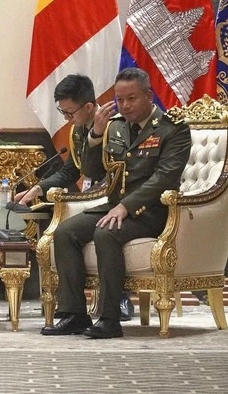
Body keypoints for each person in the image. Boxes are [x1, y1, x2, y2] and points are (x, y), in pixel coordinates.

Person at [40, 67, 191, 339]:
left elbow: (164, 178)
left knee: (105, 233)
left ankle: (109, 318)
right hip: (115, 205)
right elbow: (94, 171)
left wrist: (127, 206)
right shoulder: (116, 126)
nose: (125, 106)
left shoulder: (173, 129)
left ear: (148, 95)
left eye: (131, 99)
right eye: (120, 100)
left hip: (153, 211)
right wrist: (96, 135)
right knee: (65, 232)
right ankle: (74, 314)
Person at [14, 74, 136, 322]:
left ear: (89, 106)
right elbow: (72, 169)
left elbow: (100, 171)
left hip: (118, 199)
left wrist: (96, 136)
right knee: (63, 230)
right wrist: (37, 190)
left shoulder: (117, 125)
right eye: (63, 112)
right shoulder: (78, 130)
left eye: (70, 113)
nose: (67, 119)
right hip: (91, 198)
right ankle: (72, 310)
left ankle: (119, 297)